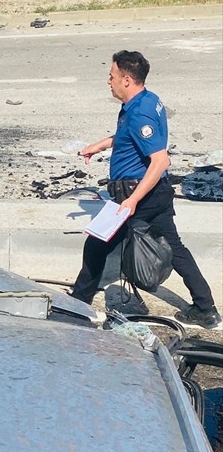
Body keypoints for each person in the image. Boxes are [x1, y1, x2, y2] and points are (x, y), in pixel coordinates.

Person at [70, 49, 220, 329]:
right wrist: (99, 146)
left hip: (138, 194)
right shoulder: (148, 101)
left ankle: (77, 304)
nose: (108, 81)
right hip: (154, 193)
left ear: (126, 80)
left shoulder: (139, 113)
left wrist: (133, 201)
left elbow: (160, 160)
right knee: (174, 248)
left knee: (96, 244)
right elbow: (129, 137)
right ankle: (205, 308)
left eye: (112, 76)